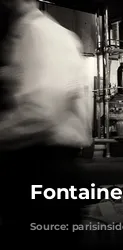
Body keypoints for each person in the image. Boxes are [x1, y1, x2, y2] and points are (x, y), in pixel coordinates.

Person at [0, 0, 92, 248]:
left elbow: (40, 113)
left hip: (45, 169)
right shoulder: (23, 36)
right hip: (39, 167)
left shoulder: (40, 32)